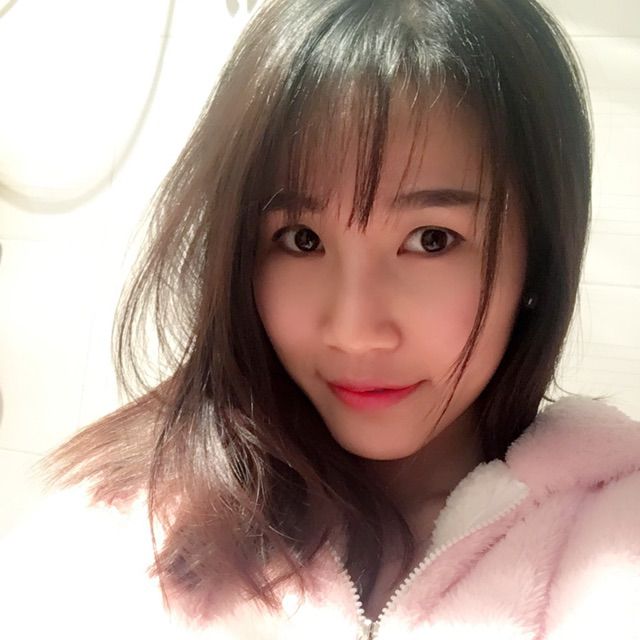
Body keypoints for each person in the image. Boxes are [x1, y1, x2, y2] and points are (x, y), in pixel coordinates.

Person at [2, 0, 640, 638]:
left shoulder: (616, 535)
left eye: (432, 240)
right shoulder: (119, 537)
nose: (354, 331)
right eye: (301, 239)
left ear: (540, 259)